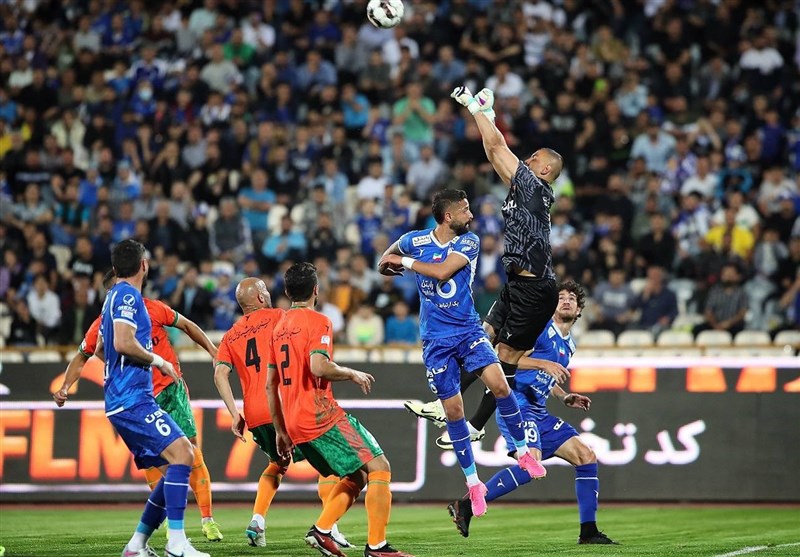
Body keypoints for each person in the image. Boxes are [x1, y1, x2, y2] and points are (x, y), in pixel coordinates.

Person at [378, 189, 546, 519]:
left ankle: (523, 453)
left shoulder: (469, 242)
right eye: (465, 210)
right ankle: (474, 484)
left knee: (501, 386)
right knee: (454, 412)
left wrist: (405, 263)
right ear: (448, 216)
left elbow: (442, 272)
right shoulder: (414, 240)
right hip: (436, 339)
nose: (471, 215)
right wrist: (390, 267)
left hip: (469, 330)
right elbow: (385, 259)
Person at [409, 86, 560, 445]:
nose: (527, 159)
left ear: (545, 169)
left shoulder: (534, 187)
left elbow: (496, 146)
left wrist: (472, 107)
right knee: (481, 338)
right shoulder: (524, 188)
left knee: (505, 357)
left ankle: (476, 425)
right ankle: (446, 404)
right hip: (519, 285)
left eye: (534, 157)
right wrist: (488, 116)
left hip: (535, 289)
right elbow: (495, 155)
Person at [53, 269, 223, 542]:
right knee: (156, 462)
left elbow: (188, 325)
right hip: (140, 399)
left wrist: (213, 351)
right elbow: (83, 355)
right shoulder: (104, 324)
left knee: (191, 452)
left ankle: (207, 519)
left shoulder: (152, 308)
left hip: (169, 390)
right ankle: (167, 525)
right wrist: (65, 386)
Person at [447, 281, 618, 545]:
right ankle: (467, 504)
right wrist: (543, 363)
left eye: (572, 298)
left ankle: (589, 532)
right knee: (531, 465)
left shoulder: (569, 345)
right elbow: (504, 358)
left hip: (539, 412)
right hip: (516, 406)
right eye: (561, 297)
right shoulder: (539, 328)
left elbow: (547, 377)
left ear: (579, 310)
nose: (566, 300)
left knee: (586, 456)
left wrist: (564, 396)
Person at [266, 262, 413, 557]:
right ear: (316, 290)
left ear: (287, 292)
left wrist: (281, 430)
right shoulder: (319, 321)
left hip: (293, 420)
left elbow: (271, 385)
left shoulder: (277, 328)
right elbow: (318, 366)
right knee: (380, 466)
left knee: (357, 475)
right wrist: (351, 373)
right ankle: (377, 546)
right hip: (319, 414)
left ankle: (322, 530)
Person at [213, 277, 352, 549]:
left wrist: (234, 413)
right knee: (329, 463)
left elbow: (219, 374)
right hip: (285, 404)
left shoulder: (230, 335)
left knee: (278, 464)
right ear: (261, 297)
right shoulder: (280, 316)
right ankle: (329, 528)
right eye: (265, 290)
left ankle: (257, 520)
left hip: (254, 413)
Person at [92, 239, 209, 557]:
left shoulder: (111, 297)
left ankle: (136, 545)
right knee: (184, 454)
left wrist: (117, 374)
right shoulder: (128, 295)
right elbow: (123, 342)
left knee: (173, 469)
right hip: (132, 399)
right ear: (144, 265)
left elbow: (101, 347)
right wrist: (159, 361)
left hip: (124, 398)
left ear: (115, 268)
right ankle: (177, 543)